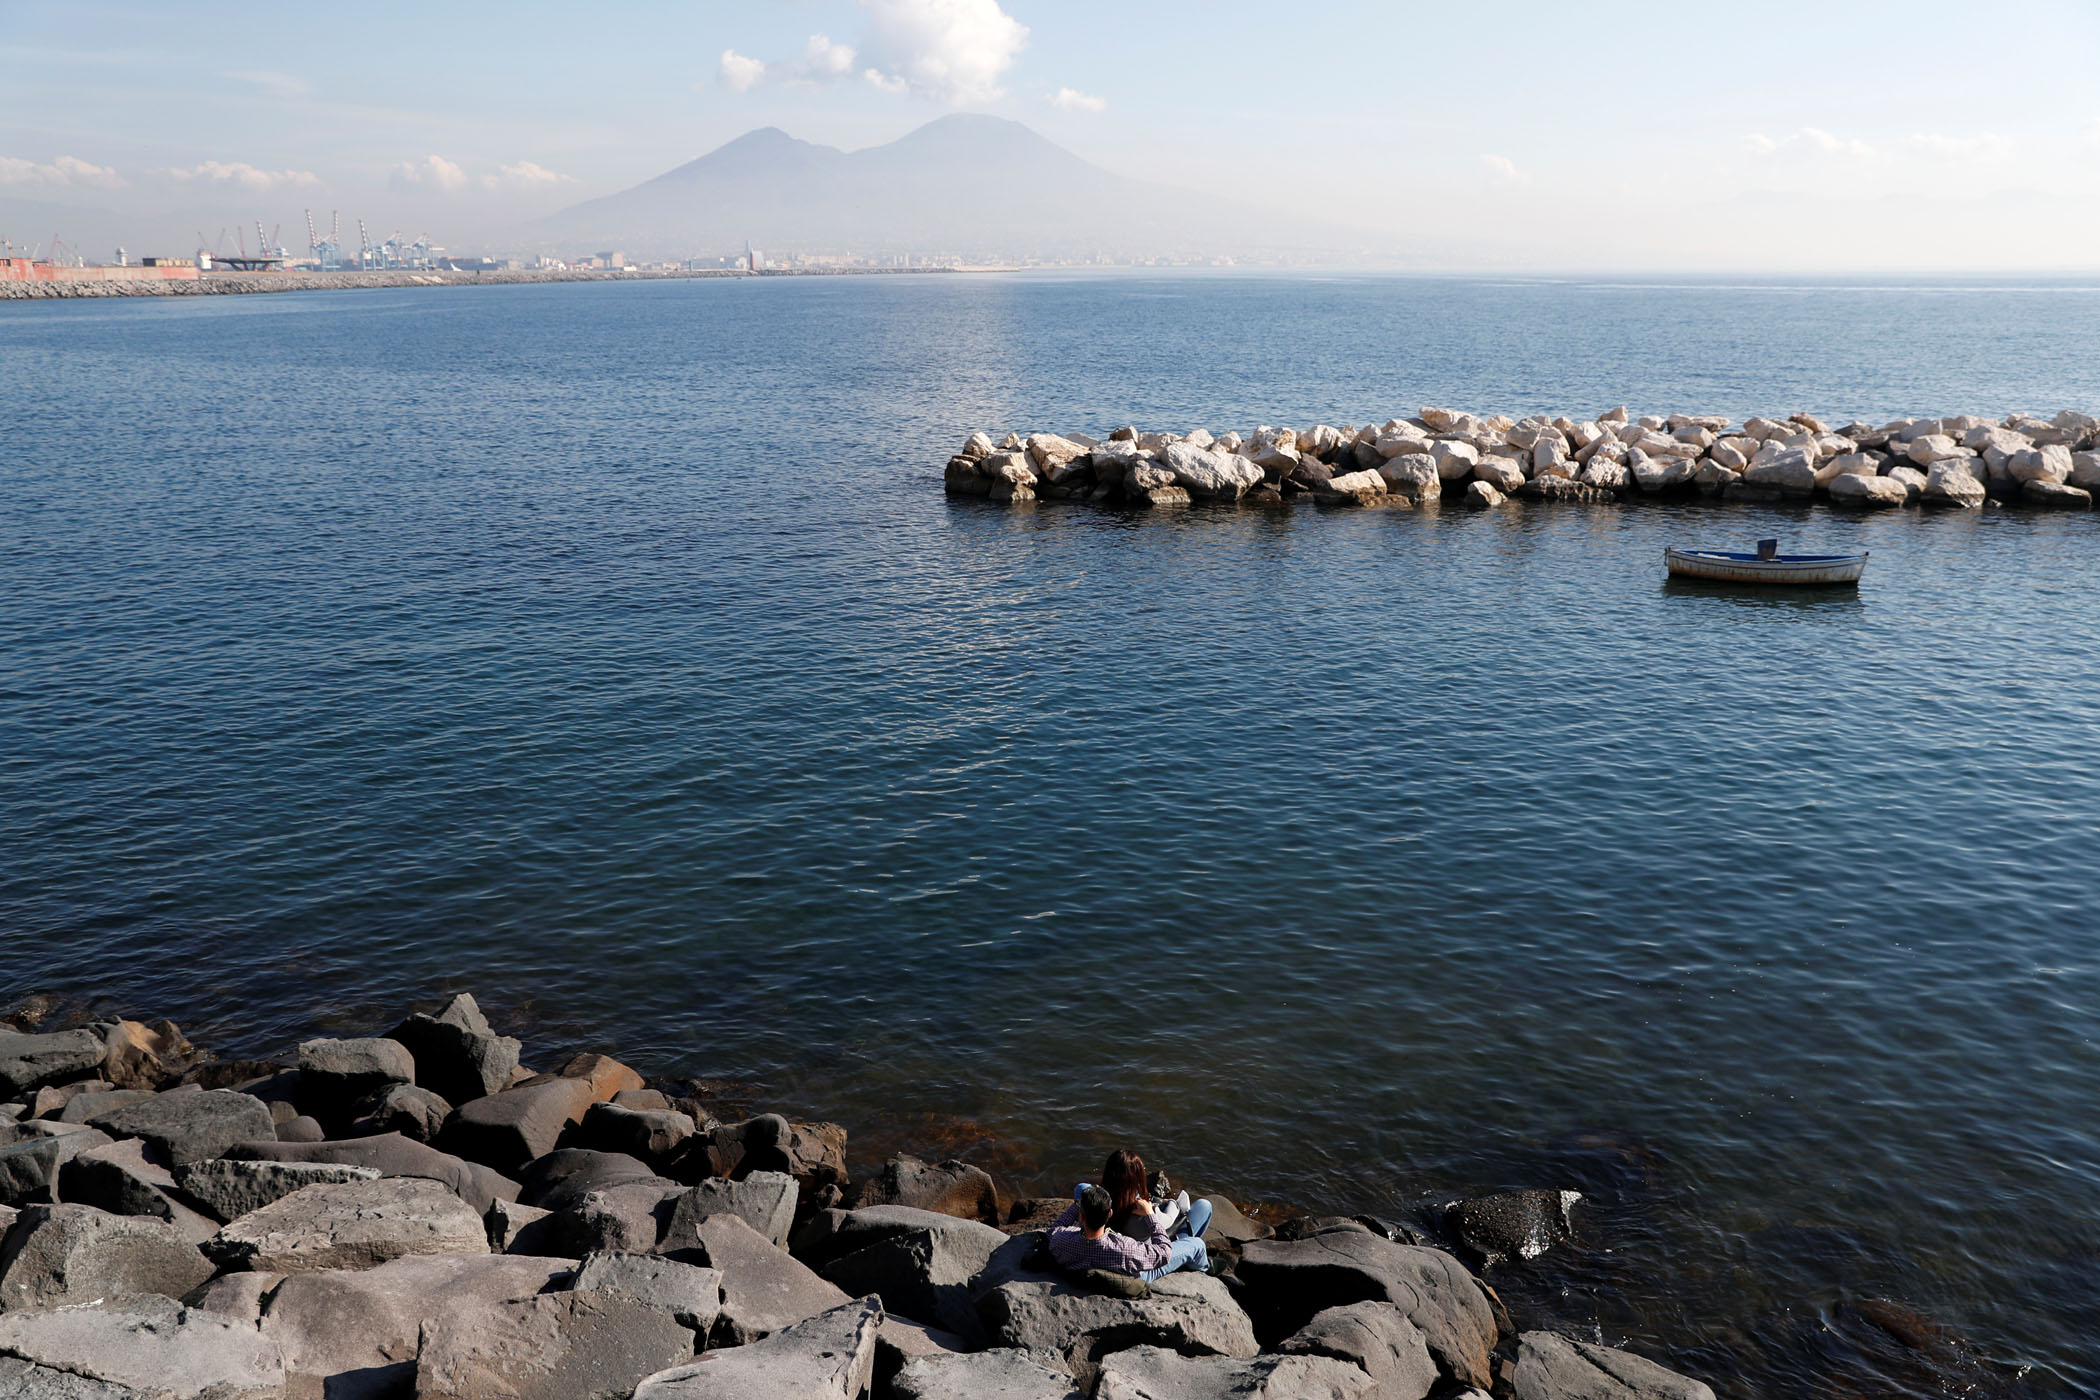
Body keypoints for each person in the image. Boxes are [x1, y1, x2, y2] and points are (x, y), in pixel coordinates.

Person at [1048, 1148, 1216, 1280]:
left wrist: (1083, 1202)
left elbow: (1052, 1231)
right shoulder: (1127, 1248)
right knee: (1200, 1229)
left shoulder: (1062, 1240)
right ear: (1109, 1214)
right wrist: (1151, 1213)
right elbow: (1164, 1252)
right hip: (1142, 1270)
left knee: (1082, 1188)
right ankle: (1201, 1269)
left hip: (1097, 1246)